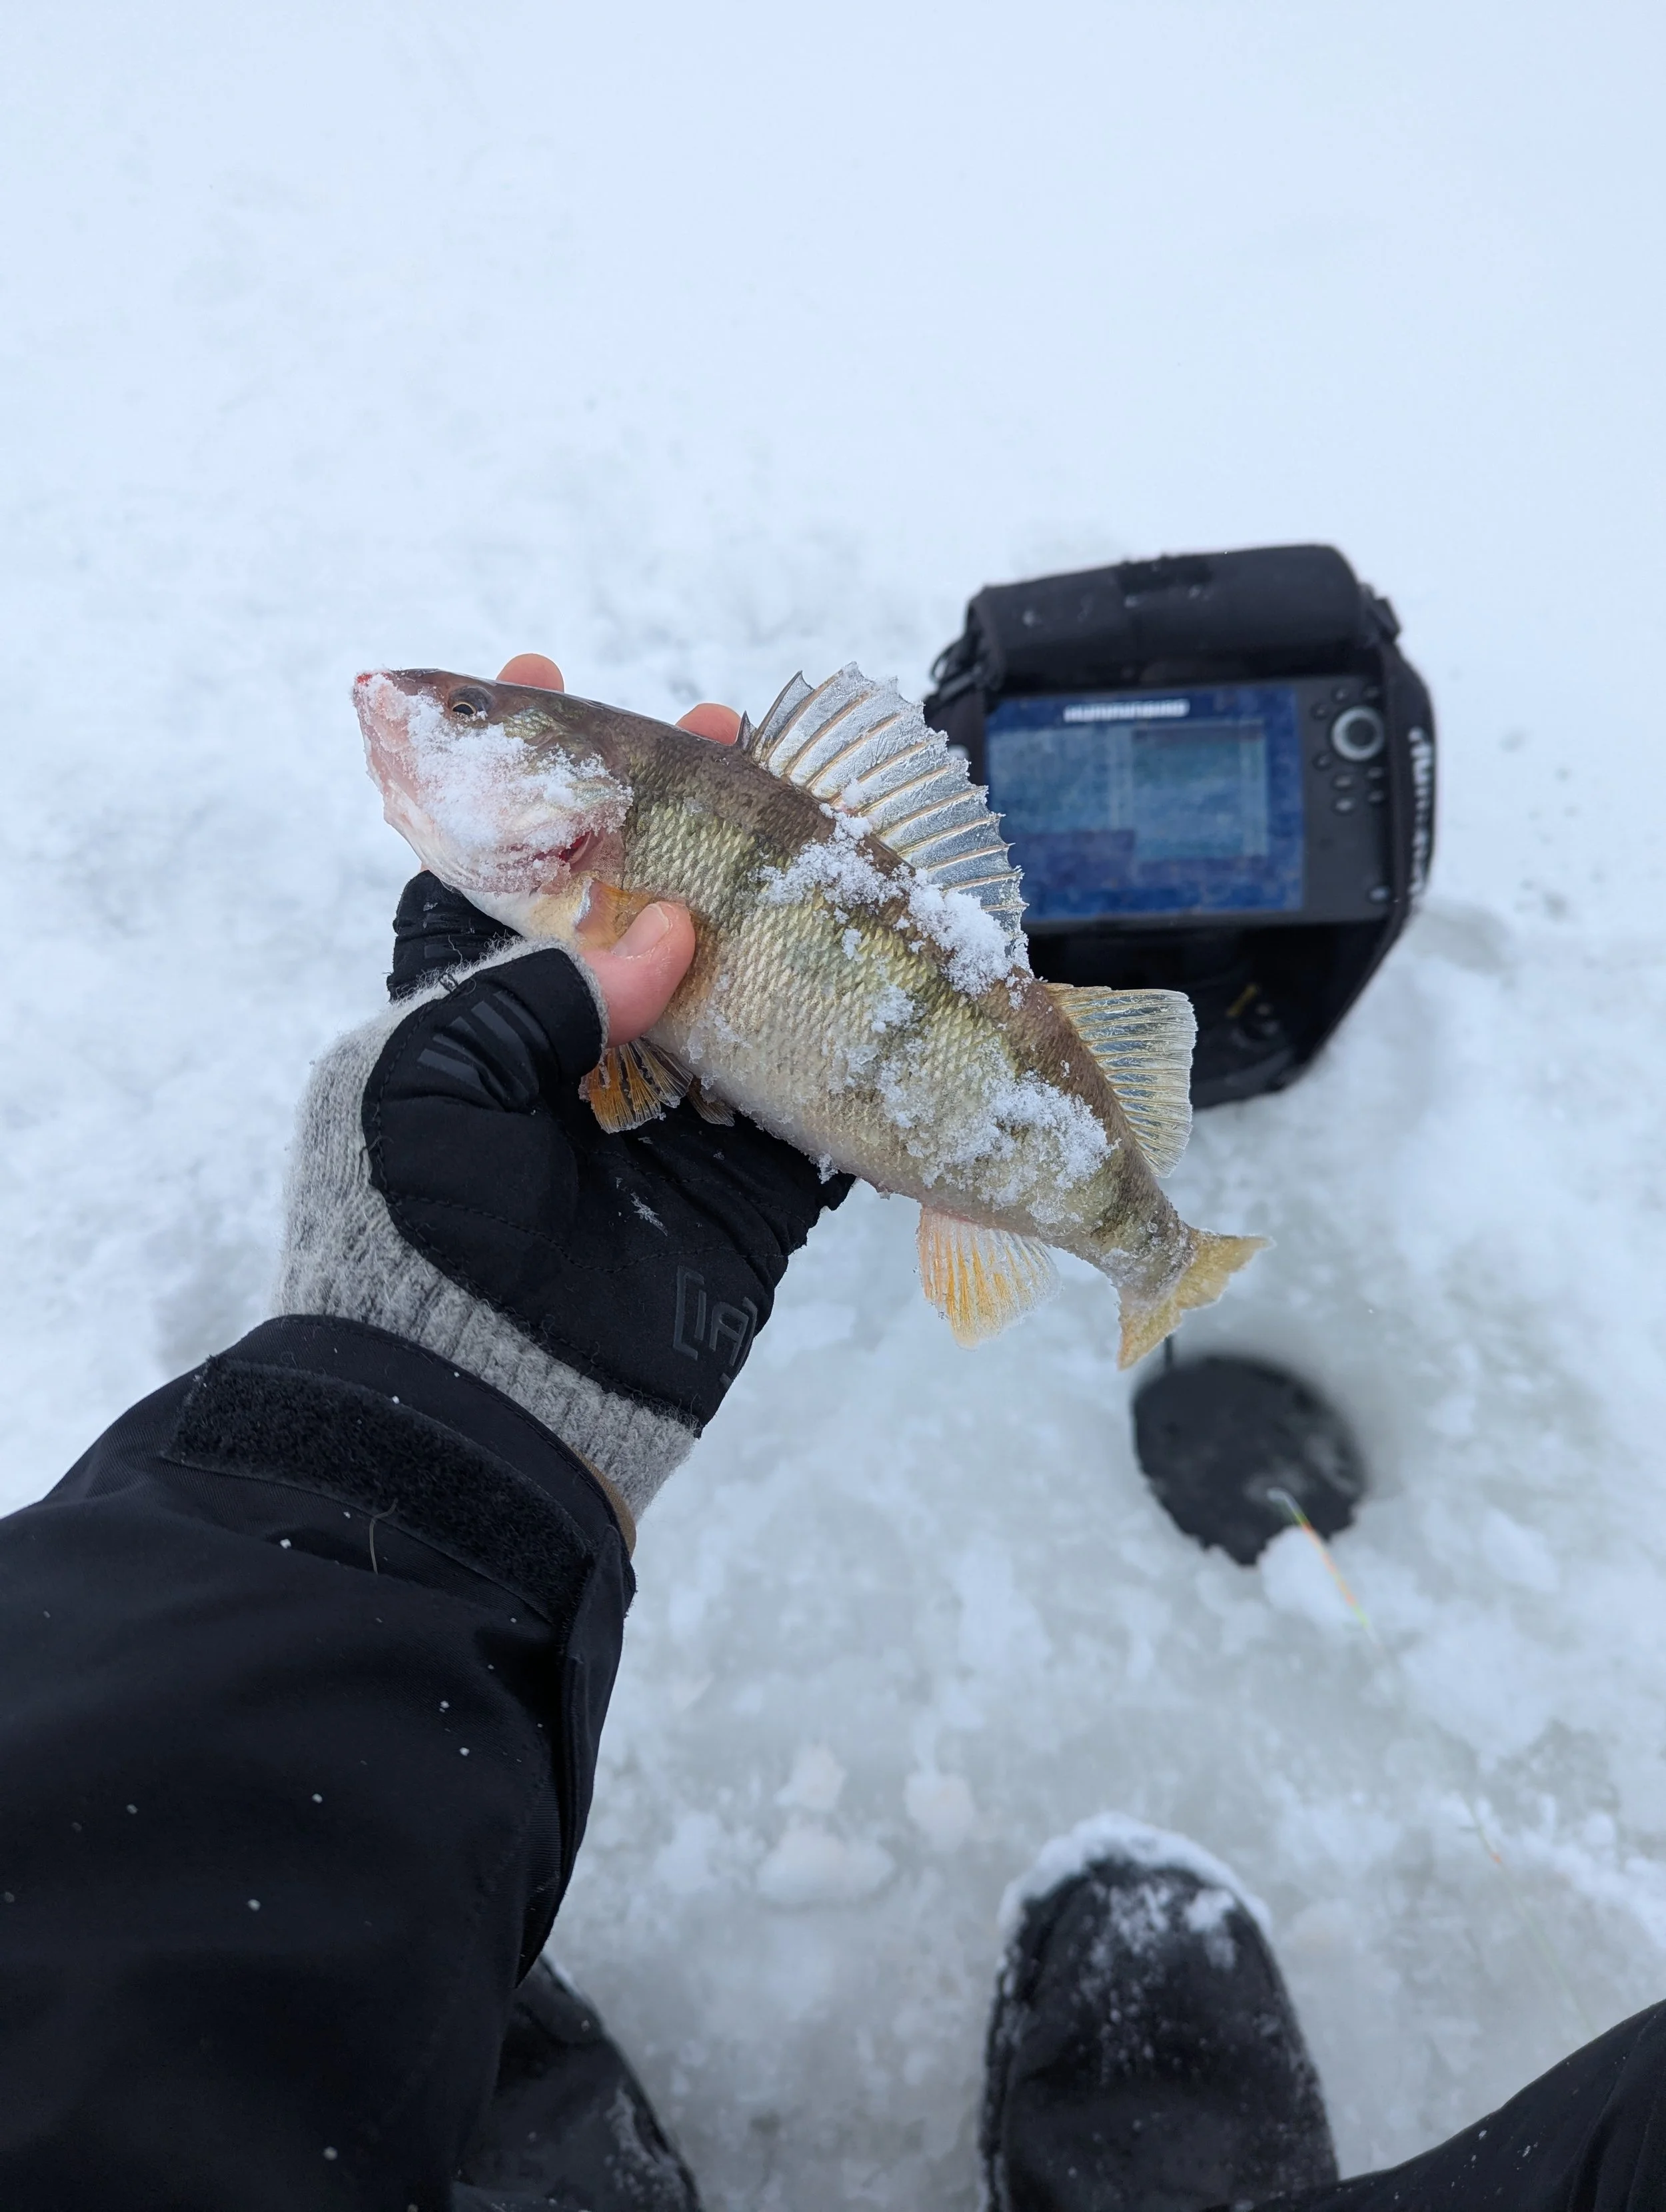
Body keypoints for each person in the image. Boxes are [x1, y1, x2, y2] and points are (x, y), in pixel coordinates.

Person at [0, 654, 1659, 2212]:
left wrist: (405, 1416)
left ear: (568, 806)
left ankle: (477, 2093)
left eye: (452, 722)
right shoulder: (599, 865)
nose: (402, 717)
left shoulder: (609, 879)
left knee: (422, 2079)